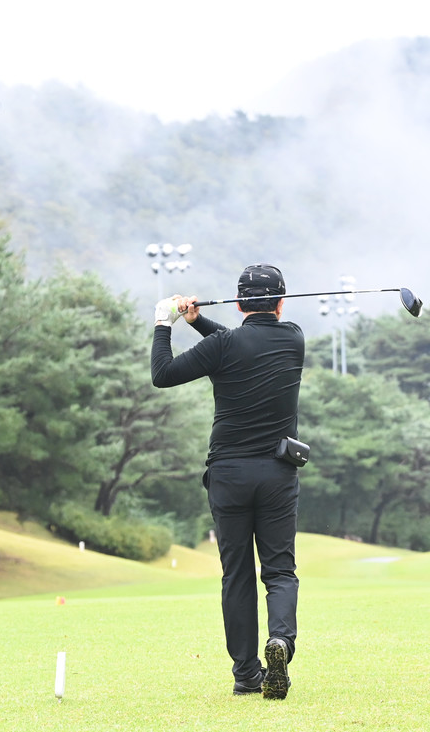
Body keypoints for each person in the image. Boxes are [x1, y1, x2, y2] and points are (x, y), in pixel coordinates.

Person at [150, 264, 305, 700]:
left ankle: (246, 674)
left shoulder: (223, 345)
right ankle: (281, 642)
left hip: (228, 474)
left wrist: (167, 323)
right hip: (277, 474)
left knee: (236, 574)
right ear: (281, 303)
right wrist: (200, 322)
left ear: (237, 304)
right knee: (279, 571)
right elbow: (244, 345)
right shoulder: (293, 338)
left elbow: (163, 374)